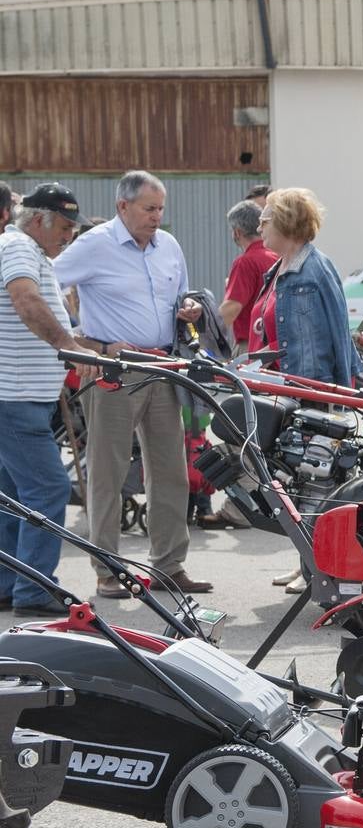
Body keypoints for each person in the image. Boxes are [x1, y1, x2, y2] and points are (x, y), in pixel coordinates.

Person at [53, 170, 215, 597]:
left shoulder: (169, 246)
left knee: (171, 472)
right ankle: (107, 571)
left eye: (161, 208)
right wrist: (83, 342)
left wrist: (190, 308)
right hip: (114, 371)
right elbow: (43, 286)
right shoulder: (94, 244)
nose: (157, 216)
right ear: (122, 206)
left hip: (164, 367)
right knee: (107, 472)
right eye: (149, 208)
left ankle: (168, 567)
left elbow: (180, 294)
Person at [0, 184, 99, 615]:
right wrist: (68, 346)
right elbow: (25, 300)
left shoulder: (29, 250)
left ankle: (9, 584)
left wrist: (79, 344)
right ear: (38, 219)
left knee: (14, 494)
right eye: (64, 226)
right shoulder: (18, 245)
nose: (68, 237)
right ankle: (34, 591)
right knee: (48, 487)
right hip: (14, 396)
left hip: (21, 395)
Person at [250, 188, 362, 385]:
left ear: (285, 221)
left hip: (305, 392)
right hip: (281, 389)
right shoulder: (280, 268)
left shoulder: (314, 271)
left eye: (264, 221)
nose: (259, 229)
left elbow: (338, 336)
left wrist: (341, 395)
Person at [219, 200, 278, 356]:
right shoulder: (276, 256)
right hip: (273, 345)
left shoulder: (245, 262)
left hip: (251, 346)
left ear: (237, 232)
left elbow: (232, 307)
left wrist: (207, 332)